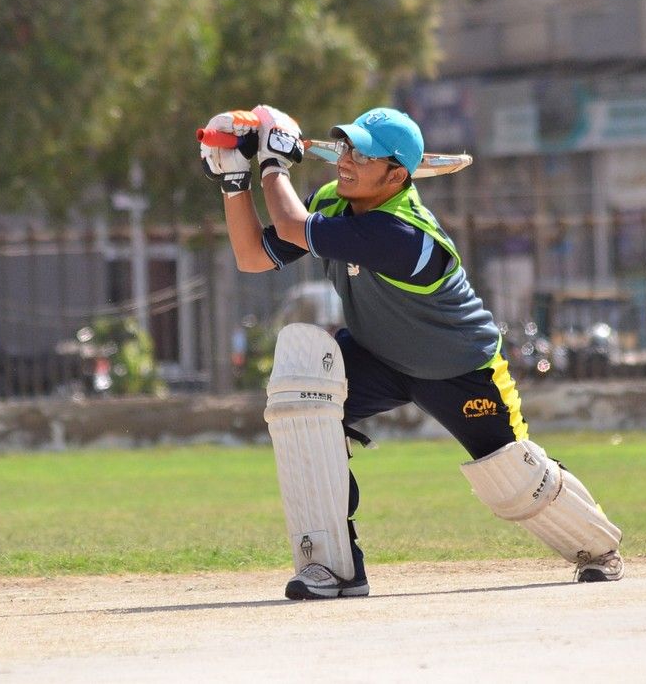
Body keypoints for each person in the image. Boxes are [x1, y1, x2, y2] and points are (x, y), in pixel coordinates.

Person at [200, 105, 624, 599]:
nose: (347, 159)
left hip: (460, 368)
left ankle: (599, 548)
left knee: (513, 477)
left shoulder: (402, 233)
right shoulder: (333, 202)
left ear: (397, 175)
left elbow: (295, 227)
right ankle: (332, 568)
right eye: (348, 147)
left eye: (364, 155)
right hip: (379, 355)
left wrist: (273, 164)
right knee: (303, 399)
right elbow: (253, 257)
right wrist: (234, 182)